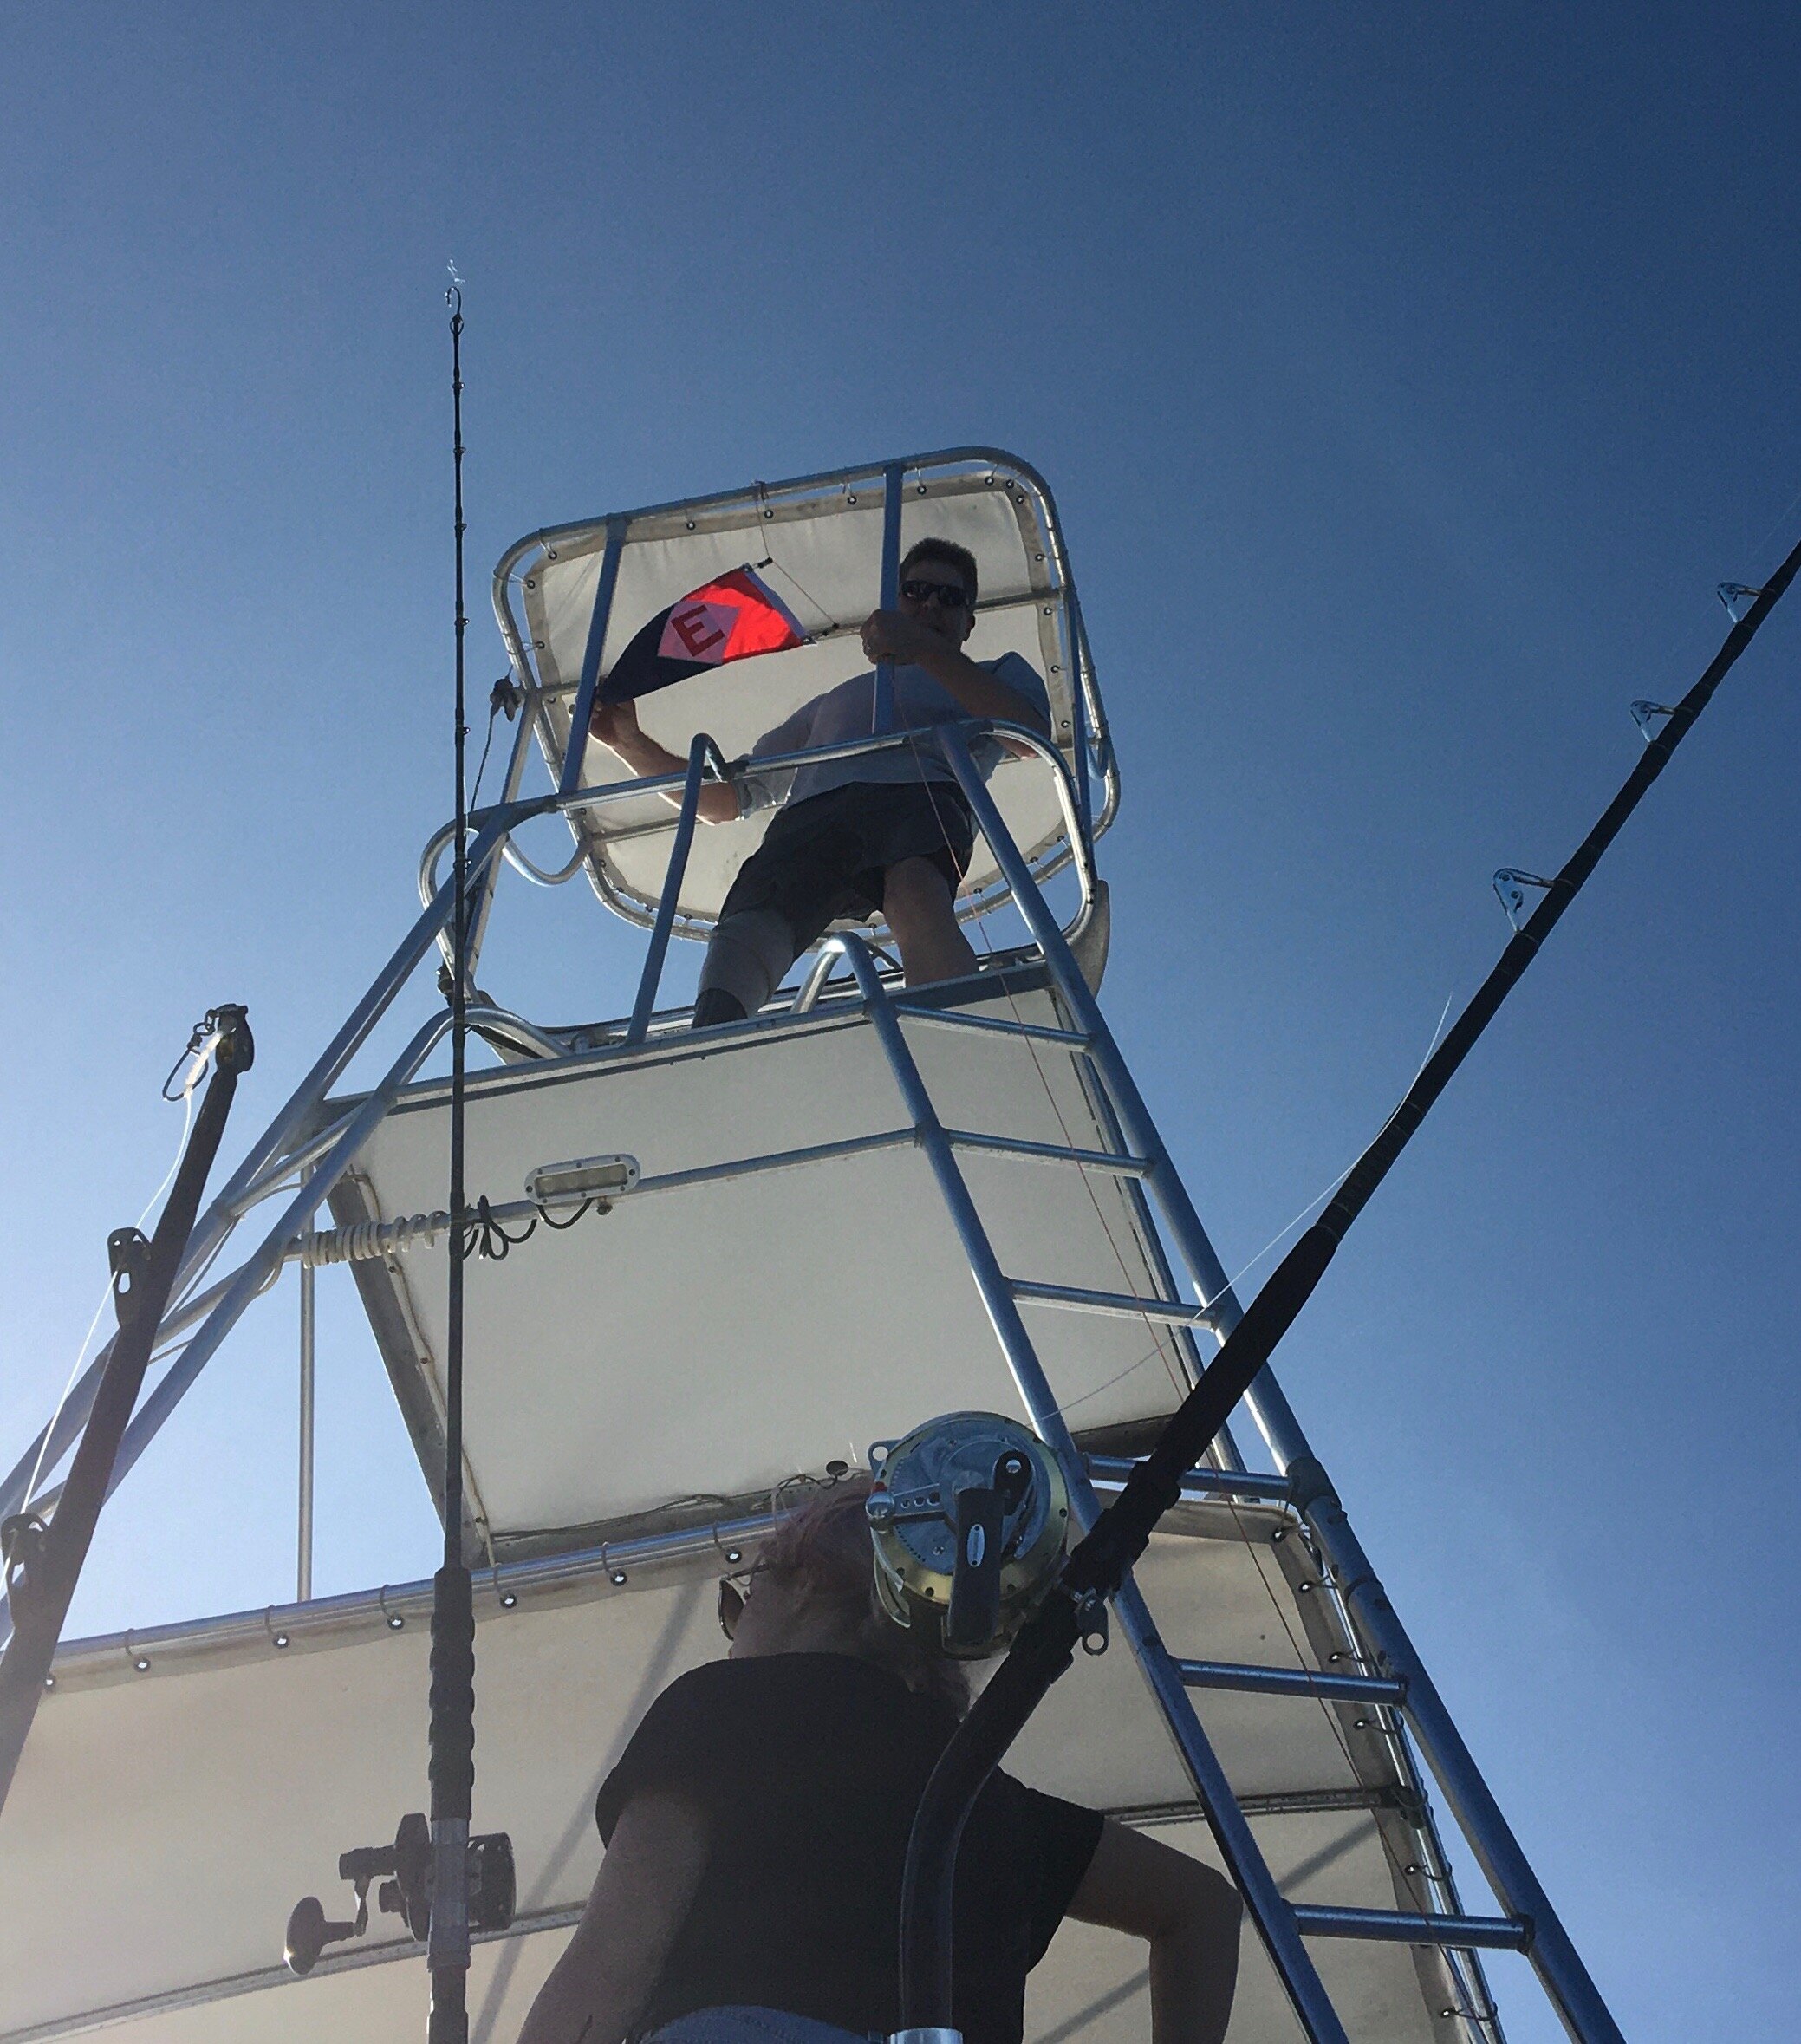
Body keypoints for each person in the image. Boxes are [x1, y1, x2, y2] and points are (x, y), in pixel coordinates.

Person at [516, 1475, 1242, 2044]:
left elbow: (610, 1967)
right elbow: (1201, 1906)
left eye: (743, 1594)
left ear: (805, 1582)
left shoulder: (722, 1707)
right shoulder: (988, 1798)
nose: (735, 1629)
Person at [588, 539, 1053, 1028]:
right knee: (749, 924)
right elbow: (724, 800)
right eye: (916, 592)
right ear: (894, 603)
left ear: (968, 622)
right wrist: (629, 742)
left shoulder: (998, 674)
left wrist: (923, 649)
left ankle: (955, 1031)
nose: (931, 604)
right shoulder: (831, 705)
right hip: (811, 816)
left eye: (950, 597)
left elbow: (1028, 735)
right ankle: (712, 1044)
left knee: (915, 895)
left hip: (918, 800)